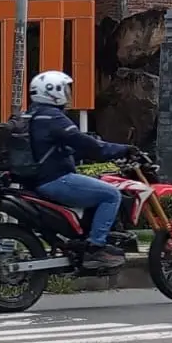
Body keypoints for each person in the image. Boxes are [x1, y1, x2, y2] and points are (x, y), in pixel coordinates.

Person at [23, 70, 139, 269]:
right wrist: (123, 150)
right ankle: (96, 248)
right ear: (53, 92)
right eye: (65, 89)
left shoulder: (32, 115)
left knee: (95, 185)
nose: (68, 95)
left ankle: (82, 239)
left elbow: (58, 148)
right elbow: (89, 146)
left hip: (37, 180)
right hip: (56, 180)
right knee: (110, 195)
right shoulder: (54, 118)